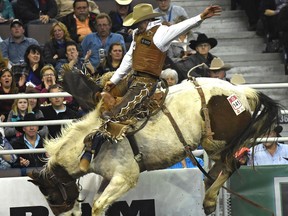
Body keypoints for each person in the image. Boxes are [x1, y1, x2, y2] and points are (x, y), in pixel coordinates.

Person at [79, 3, 222, 171]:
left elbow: (180, 27)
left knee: (118, 112)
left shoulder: (161, 33)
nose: (134, 25)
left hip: (147, 82)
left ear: (144, 20)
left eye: (136, 21)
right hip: (133, 77)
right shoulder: (137, 35)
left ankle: (90, 149)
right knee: (102, 98)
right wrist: (116, 79)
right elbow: (129, 58)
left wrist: (201, 17)